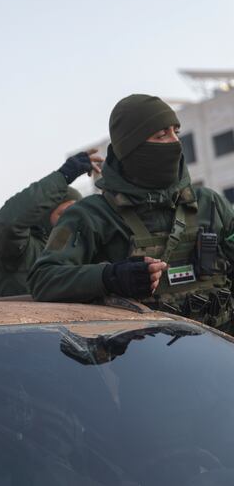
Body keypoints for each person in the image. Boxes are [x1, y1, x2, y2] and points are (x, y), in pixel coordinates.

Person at [28, 94, 234, 332]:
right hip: (139, 361)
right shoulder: (92, 215)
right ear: (132, 148)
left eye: (176, 131)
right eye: (161, 135)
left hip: (220, 355)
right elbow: (44, 279)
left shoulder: (209, 204)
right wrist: (110, 277)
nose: (175, 142)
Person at [0, 149, 101, 298]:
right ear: (45, 213)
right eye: (64, 213)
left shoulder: (75, 253)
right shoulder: (19, 249)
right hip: (9, 319)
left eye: (76, 214)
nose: (71, 220)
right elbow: (8, 222)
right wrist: (64, 176)